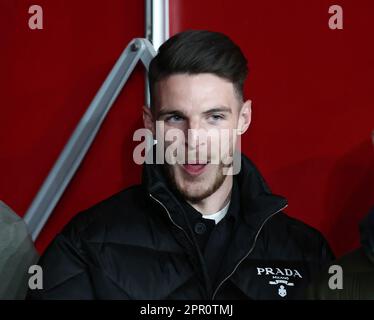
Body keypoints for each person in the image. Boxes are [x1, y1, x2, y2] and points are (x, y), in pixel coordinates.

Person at [27, 30, 334, 300]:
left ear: (244, 119)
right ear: (150, 123)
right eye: (175, 118)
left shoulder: (306, 253)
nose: (194, 139)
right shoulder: (84, 245)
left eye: (214, 117)